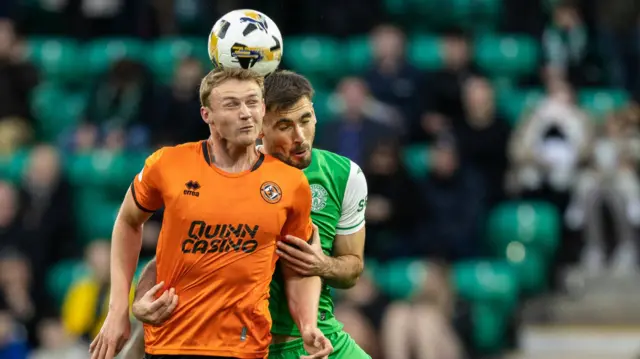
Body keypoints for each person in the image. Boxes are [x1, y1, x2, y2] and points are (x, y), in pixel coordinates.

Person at [123, 70, 370, 359]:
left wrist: (322, 265)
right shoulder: (227, 174)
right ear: (262, 125)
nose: (300, 137)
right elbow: (174, 257)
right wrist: (134, 308)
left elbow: (352, 268)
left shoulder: (344, 175)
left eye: (305, 119)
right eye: (284, 125)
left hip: (318, 337)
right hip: (249, 347)